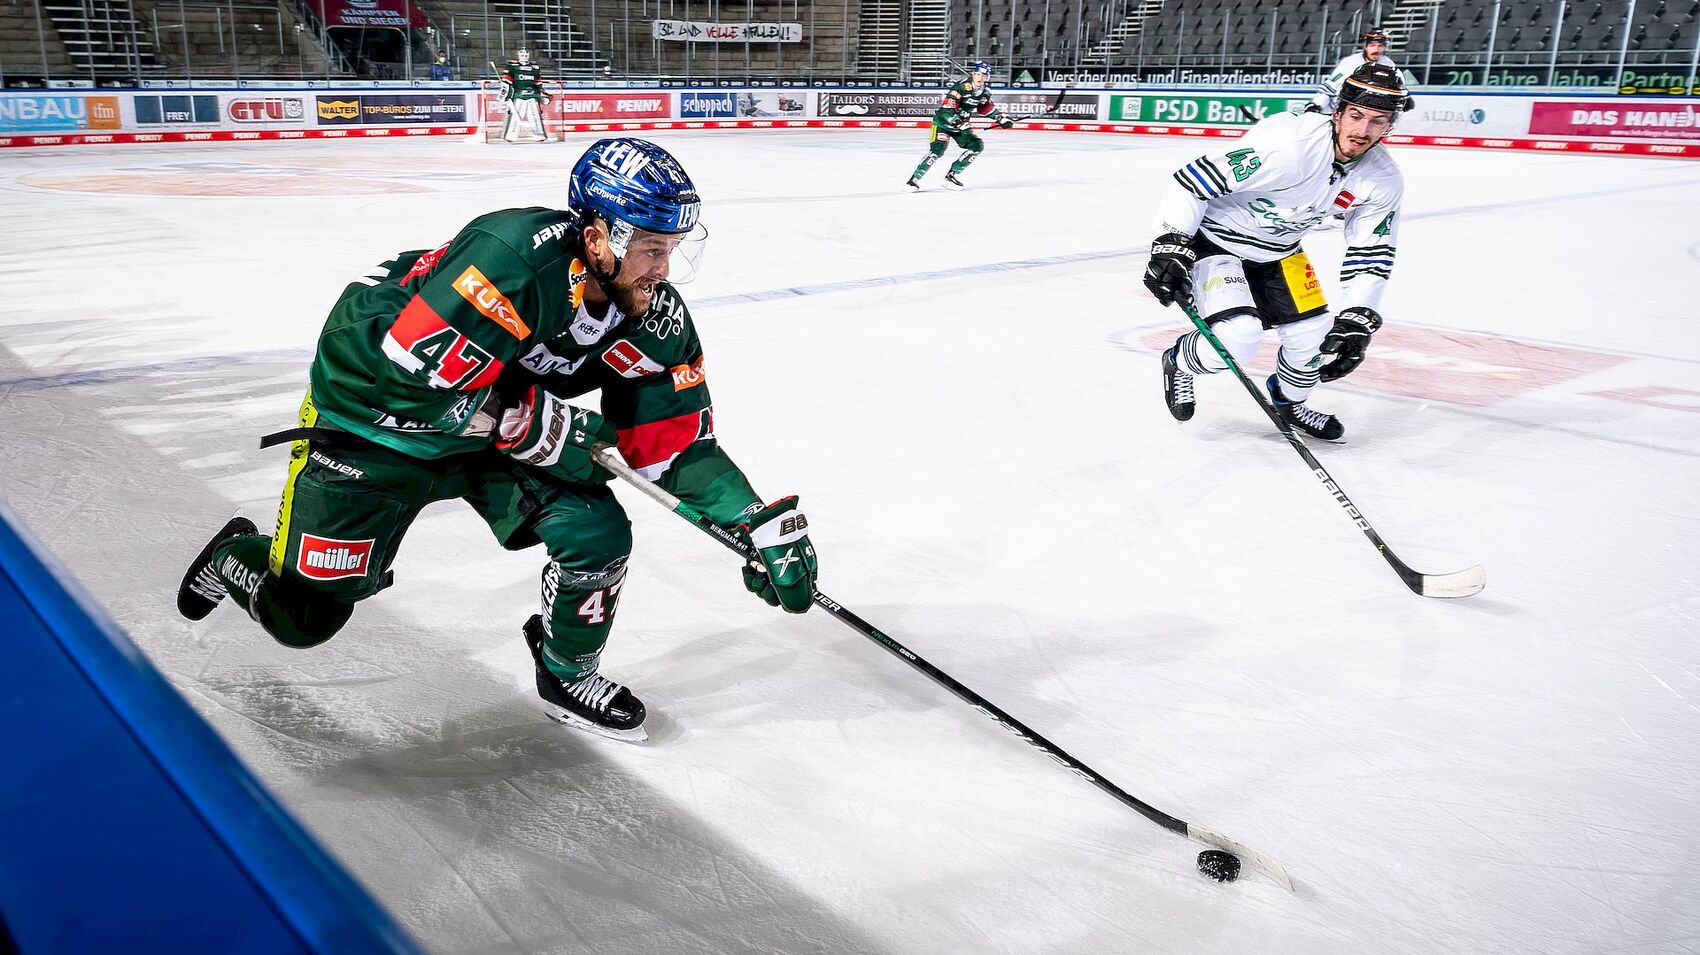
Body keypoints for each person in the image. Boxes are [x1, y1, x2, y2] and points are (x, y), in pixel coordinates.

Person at [176, 138, 818, 742]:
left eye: (671, 247)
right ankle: (235, 558)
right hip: (372, 416)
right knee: (303, 620)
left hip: (488, 424)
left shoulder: (654, 316)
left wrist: (756, 523)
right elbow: (411, 382)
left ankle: (566, 673)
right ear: (598, 237)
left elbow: (672, 443)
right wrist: (526, 420)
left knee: (595, 532)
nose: (664, 267)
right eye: (651, 247)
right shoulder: (511, 257)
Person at [1145, 63, 1410, 442]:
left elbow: (1372, 248)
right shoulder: (1289, 147)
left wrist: (1358, 314)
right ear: (1338, 112)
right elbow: (1193, 181)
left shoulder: (1382, 178)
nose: (1363, 131)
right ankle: (1179, 361)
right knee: (1239, 335)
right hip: (1218, 240)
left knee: (1316, 338)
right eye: (1356, 115)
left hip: (1281, 250)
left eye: (1378, 121)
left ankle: (1288, 404)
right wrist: (1170, 243)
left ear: (1389, 126)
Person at [906, 61, 1014, 191]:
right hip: (943, 123)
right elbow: (947, 108)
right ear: (973, 74)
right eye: (978, 74)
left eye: (984, 75)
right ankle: (913, 180)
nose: (981, 77)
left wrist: (1000, 118)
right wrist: (959, 123)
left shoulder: (986, 92)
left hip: (961, 126)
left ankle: (951, 176)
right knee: (937, 151)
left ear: (988, 77)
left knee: (976, 146)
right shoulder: (961, 87)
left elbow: (985, 107)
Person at [1309, 28, 1398, 114]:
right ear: (1365, 46)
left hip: (1368, 112)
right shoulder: (1350, 62)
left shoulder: (1388, 64)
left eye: (1380, 46)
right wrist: (1316, 105)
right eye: (1372, 46)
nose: (1376, 50)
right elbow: (1330, 87)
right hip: (1340, 111)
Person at [498, 48, 552, 143]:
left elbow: (538, 82)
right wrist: (506, 92)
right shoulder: (512, 66)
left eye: (526, 55)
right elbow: (507, 81)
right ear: (518, 56)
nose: (524, 57)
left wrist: (542, 93)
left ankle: (539, 135)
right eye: (522, 55)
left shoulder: (534, 67)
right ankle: (510, 136)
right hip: (518, 95)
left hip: (532, 95)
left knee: (534, 116)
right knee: (516, 116)